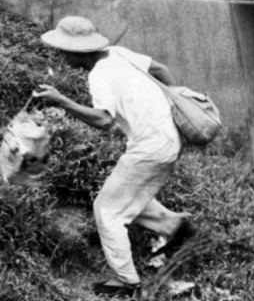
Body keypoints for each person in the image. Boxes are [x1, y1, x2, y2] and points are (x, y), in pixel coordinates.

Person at [32, 16, 195, 298]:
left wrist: (61, 101)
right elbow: (162, 69)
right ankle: (174, 225)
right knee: (127, 193)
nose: (59, 56)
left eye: (62, 50)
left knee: (106, 210)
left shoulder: (98, 75)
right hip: (168, 139)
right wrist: (173, 103)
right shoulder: (119, 53)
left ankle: (126, 281)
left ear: (75, 51)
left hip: (150, 149)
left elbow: (103, 120)